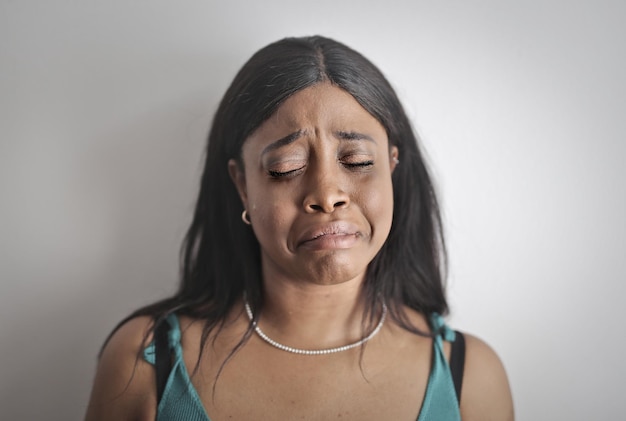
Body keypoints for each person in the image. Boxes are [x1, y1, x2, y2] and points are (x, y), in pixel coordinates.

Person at [85, 35, 514, 420]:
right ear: (241, 183)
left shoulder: (470, 377)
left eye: (358, 162)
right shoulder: (143, 364)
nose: (327, 194)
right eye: (285, 168)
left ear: (392, 166)